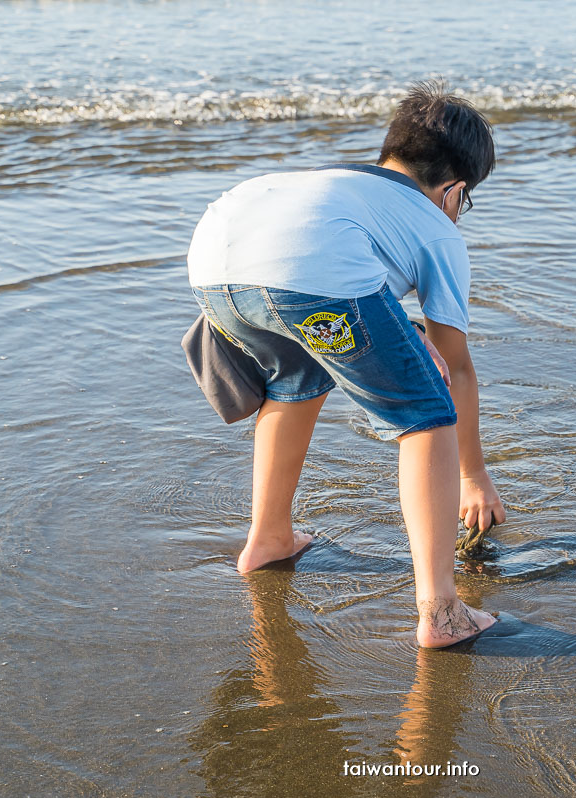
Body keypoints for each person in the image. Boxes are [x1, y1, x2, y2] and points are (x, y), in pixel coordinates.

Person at [187, 81, 504, 649]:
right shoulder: (436, 227)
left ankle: (269, 538)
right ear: (454, 192)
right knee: (427, 409)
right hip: (310, 273)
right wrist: (473, 477)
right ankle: (442, 612)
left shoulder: (341, 185)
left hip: (212, 265)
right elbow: (454, 366)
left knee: (296, 380)